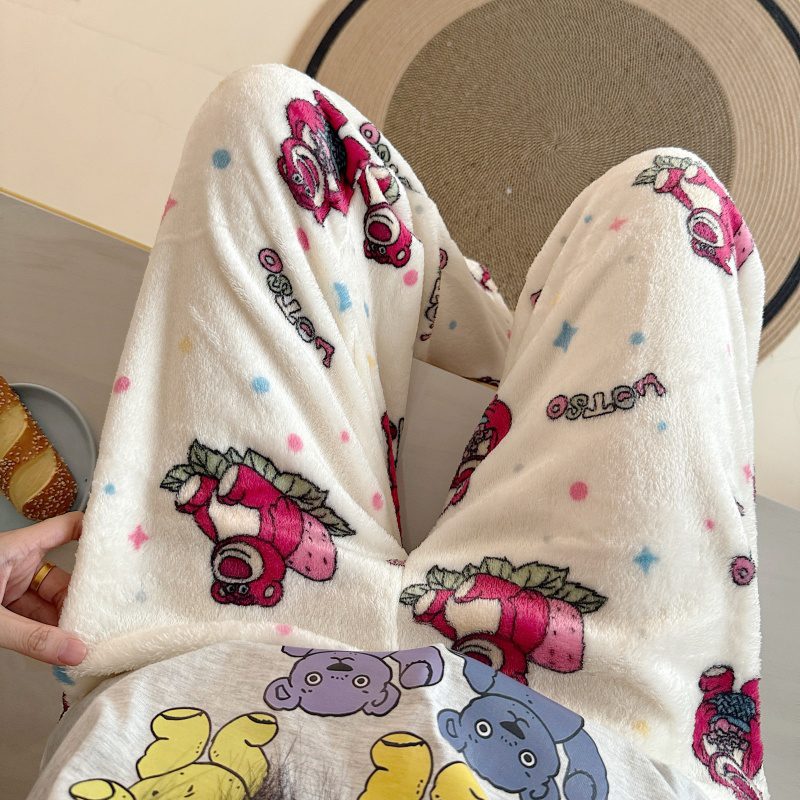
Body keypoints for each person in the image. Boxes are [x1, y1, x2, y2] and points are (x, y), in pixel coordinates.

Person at [2, 64, 767, 800]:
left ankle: (472, 338)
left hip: (202, 681)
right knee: (671, 203)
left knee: (266, 117)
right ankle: (512, 362)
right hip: (599, 738)